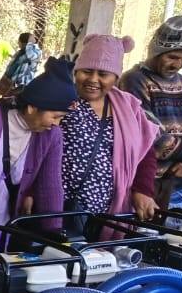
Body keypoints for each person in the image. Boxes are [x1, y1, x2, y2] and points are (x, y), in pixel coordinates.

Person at [0, 57, 75, 231]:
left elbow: (50, 185)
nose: (57, 124)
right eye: (55, 116)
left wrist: (54, 233)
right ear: (32, 107)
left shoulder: (51, 136)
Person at [61, 35, 159, 219]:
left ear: (115, 77)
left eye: (103, 74)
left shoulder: (128, 108)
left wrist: (143, 190)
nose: (93, 79)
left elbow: (145, 153)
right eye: (87, 71)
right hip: (54, 205)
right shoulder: (61, 98)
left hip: (105, 211)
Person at [118, 16, 182, 207]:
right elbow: (146, 129)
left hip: (169, 178)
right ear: (157, 51)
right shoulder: (134, 80)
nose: (177, 64)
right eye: (172, 57)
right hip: (140, 178)